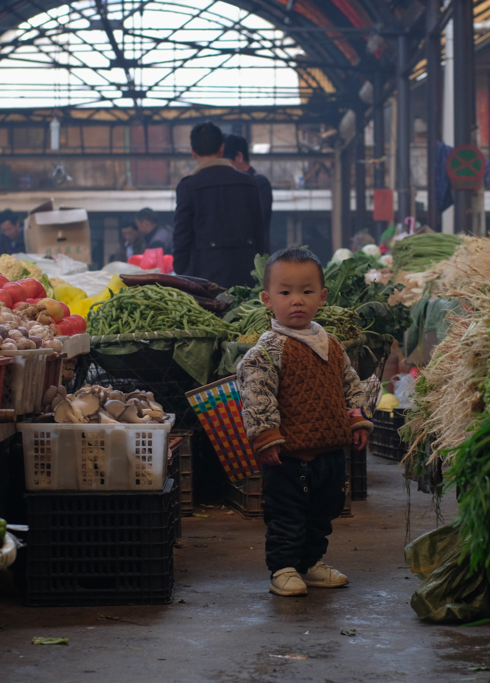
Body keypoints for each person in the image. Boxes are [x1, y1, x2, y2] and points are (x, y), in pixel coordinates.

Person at [237, 248, 372, 597]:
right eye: (285, 292)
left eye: (307, 291)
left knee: (322, 514)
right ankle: (283, 568)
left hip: (330, 451)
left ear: (322, 297)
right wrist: (266, 437)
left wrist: (357, 417)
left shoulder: (332, 344)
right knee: (286, 516)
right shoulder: (267, 350)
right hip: (288, 455)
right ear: (268, 299)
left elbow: (350, 384)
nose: (297, 300)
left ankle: (311, 564)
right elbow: (257, 396)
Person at [174, 123, 266, 288]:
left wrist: (184, 275)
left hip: (204, 283)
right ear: (222, 148)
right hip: (245, 281)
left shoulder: (188, 187)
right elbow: (260, 234)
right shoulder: (249, 183)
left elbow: (181, 239)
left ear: (193, 152)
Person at [224, 134, 272, 252]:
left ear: (239, 157)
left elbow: (258, 219)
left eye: (225, 162)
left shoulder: (259, 182)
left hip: (253, 254)